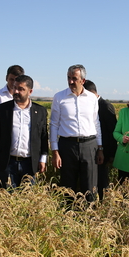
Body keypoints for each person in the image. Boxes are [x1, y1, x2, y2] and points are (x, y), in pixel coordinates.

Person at [50, 64, 104, 201]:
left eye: (74, 78)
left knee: (90, 184)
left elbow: (96, 123)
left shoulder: (92, 98)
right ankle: (68, 217)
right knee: (68, 186)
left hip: (89, 145)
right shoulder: (59, 97)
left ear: (83, 81)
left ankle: (90, 216)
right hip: (67, 146)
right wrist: (55, 151)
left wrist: (100, 148)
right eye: (68, 78)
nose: (70, 82)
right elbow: (54, 124)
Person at [0, 75, 49, 188]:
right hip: (7, 163)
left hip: (29, 163)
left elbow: (43, 136)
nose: (16, 91)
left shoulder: (40, 111)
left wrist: (43, 158)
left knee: (27, 200)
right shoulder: (3, 109)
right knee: (6, 197)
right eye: (15, 88)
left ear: (30, 91)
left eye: (21, 89)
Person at [83, 80, 117, 200]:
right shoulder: (90, 104)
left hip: (104, 151)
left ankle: (104, 202)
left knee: (102, 179)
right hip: (93, 149)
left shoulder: (105, 106)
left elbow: (112, 131)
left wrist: (110, 154)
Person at [0, 65, 24, 140]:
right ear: (6, 78)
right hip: (3, 139)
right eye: (11, 79)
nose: (14, 83)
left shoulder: (24, 98)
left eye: (16, 80)